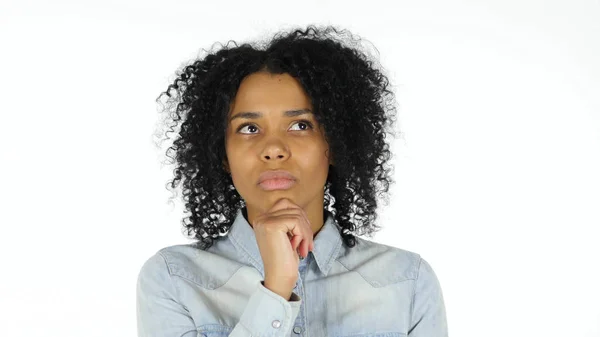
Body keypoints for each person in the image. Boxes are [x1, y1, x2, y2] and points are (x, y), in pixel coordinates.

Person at [136, 25, 448, 337]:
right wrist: (276, 289)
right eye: (248, 128)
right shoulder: (174, 278)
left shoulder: (407, 282)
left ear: (335, 145)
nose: (273, 149)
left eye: (300, 125)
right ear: (222, 154)